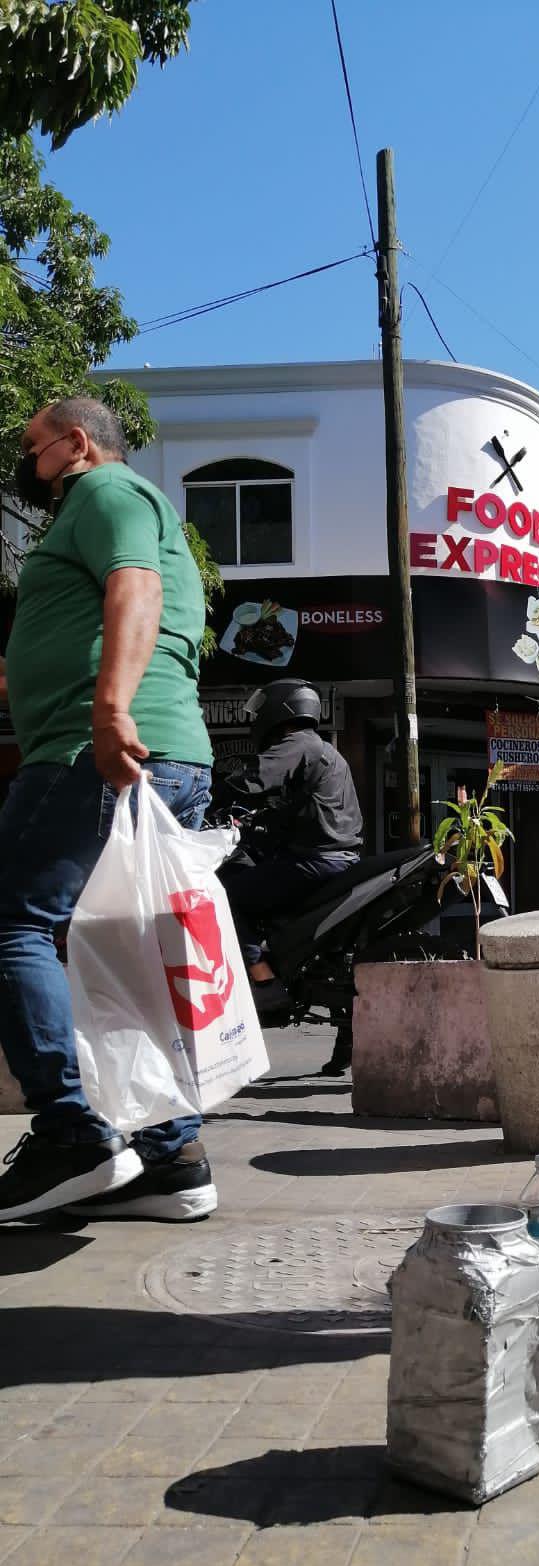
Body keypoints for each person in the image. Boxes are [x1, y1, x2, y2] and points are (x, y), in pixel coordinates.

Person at [0, 396, 217, 1222]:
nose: (29, 461)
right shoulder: (113, 505)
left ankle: (72, 1132)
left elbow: (136, 585)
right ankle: (173, 1159)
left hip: (93, 755)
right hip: (148, 752)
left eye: (34, 446)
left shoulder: (105, 494)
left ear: (77, 443)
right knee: (120, 959)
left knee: (13, 920)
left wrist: (108, 708)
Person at [216, 680, 363, 1023]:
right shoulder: (325, 750)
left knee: (227, 895)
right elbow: (296, 806)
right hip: (337, 858)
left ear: (279, 710)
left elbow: (252, 779)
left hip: (315, 861)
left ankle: (263, 982)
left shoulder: (297, 745)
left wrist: (212, 792)